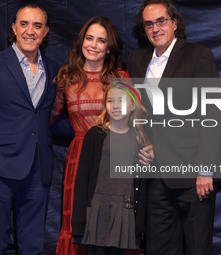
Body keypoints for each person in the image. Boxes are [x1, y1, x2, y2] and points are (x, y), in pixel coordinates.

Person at [127, 0, 221, 254]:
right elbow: (135, 113)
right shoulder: (137, 60)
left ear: (175, 23)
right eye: (148, 24)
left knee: (196, 248)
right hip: (156, 176)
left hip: (195, 174)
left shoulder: (198, 55)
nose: (155, 28)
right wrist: (141, 144)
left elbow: (212, 114)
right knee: (158, 249)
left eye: (161, 21)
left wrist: (206, 169)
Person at [51, 16, 154, 255]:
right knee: (79, 225)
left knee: (117, 226)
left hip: (116, 157)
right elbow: (50, 119)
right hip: (79, 161)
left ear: (109, 47)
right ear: (81, 41)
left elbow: (138, 120)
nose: (94, 45)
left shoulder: (121, 77)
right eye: (89, 38)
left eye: (101, 40)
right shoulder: (66, 78)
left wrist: (147, 149)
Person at [0, 4, 59, 255]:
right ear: (14, 28)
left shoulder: (54, 69)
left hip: (38, 171)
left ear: (46, 31)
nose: (30, 30)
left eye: (37, 25)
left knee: (33, 246)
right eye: (24, 24)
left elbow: (50, 118)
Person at [71, 81, 152, 255]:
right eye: (110, 101)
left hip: (124, 211)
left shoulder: (139, 140)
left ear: (132, 106)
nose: (115, 106)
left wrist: (139, 221)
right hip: (97, 210)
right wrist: (78, 221)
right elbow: (82, 180)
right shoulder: (95, 135)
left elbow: (142, 184)